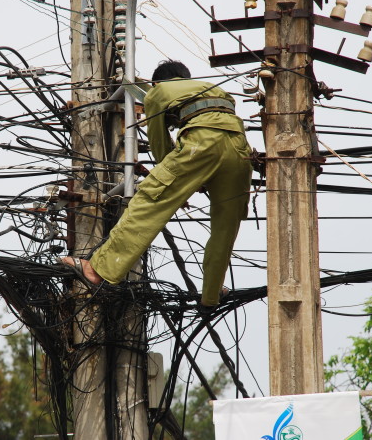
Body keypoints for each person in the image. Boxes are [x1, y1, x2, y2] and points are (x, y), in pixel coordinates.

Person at [63, 60, 252, 308]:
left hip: (199, 145)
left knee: (148, 202)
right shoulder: (213, 88)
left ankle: (98, 270)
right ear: (185, 76)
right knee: (225, 226)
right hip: (240, 152)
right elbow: (220, 132)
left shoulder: (158, 92)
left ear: (158, 82)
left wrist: (179, 182)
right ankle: (211, 295)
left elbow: (160, 146)